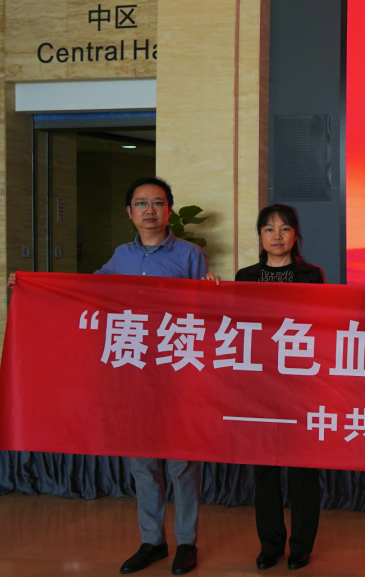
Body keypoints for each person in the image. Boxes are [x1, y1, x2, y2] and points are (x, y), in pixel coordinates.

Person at [82, 177, 212, 575]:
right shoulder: (120, 256)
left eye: (157, 203)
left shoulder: (189, 254)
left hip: (176, 373)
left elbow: (204, 314)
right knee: (142, 464)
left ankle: (186, 542)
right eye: (141, 203)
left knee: (181, 464)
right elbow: (84, 290)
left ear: (168, 210)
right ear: (130, 212)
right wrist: (31, 286)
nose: (149, 210)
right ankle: (152, 541)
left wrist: (211, 290)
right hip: (134, 373)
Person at [235, 204, 326, 571]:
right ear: (260, 236)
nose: (277, 235)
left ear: (295, 235)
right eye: (269, 229)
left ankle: (301, 544)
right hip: (259, 386)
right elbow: (237, 327)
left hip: (300, 385)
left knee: (303, 470)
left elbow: (321, 326)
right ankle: (271, 544)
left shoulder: (311, 275)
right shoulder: (245, 277)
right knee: (265, 470)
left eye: (284, 228)